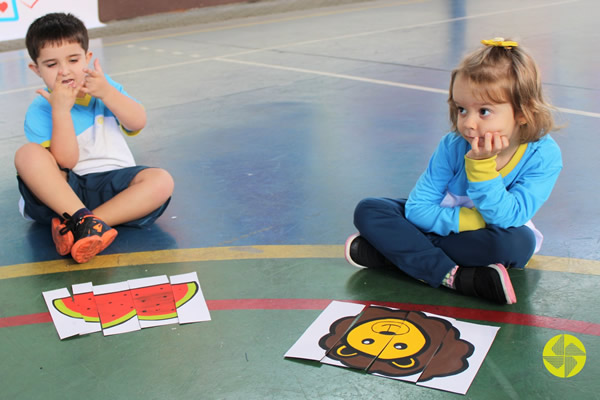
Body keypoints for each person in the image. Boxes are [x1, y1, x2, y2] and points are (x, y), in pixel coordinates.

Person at [344, 38, 562, 305]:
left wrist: (481, 166)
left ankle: (390, 253)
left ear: (523, 112)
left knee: (517, 244)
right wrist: (469, 220)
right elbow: (418, 210)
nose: (468, 123)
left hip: (491, 233)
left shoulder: (544, 155)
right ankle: (454, 276)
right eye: (461, 109)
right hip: (443, 218)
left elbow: (507, 218)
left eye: (484, 111)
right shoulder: (453, 145)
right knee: (370, 209)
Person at [15, 13, 174, 264]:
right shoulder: (41, 109)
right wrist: (61, 111)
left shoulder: (104, 87)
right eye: (51, 64)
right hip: (63, 193)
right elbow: (65, 161)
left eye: (73, 59)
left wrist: (108, 93)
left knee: (161, 181)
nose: (65, 71)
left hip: (113, 189)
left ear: (88, 58)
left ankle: (82, 225)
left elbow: (137, 121)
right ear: (36, 69)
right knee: (27, 154)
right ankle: (80, 219)